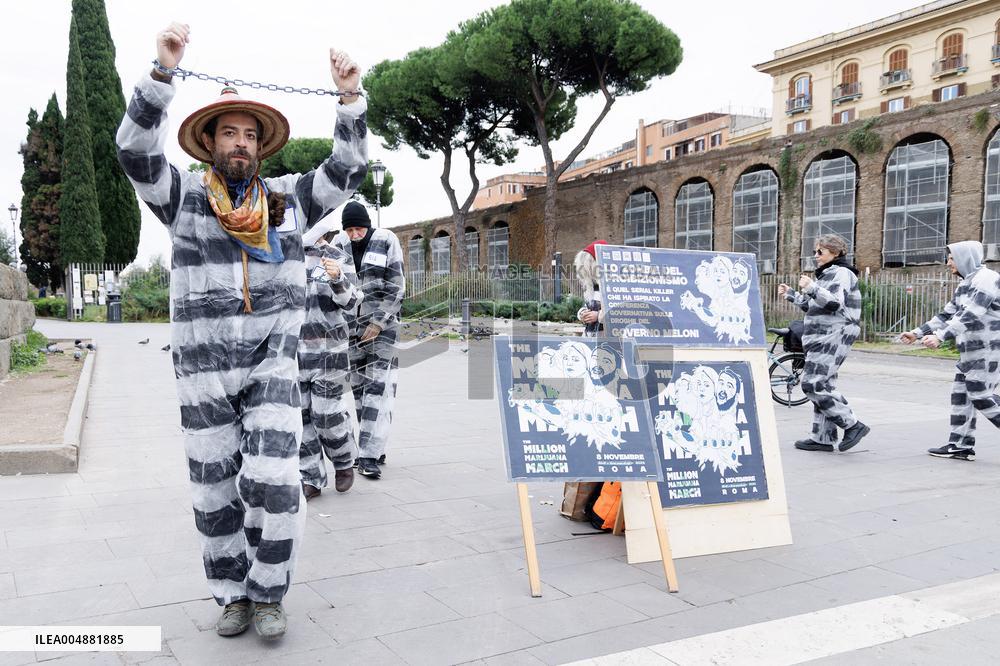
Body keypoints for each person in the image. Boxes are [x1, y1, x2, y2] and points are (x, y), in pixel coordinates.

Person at [116, 22, 367, 640]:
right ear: (209, 142)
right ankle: (231, 594)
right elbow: (134, 152)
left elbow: (348, 169)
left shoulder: (288, 201)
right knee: (213, 491)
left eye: (249, 135)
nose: (240, 143)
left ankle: (269, 593)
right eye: (229, 132)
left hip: (271, 366)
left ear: (261, 148)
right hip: (202, 373)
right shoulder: (183, 200)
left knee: (276, 483)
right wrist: (162, 73)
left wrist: (349, 98)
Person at [901, 241, 1000, 461]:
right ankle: (960, 445)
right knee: (961, 397)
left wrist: (941, 336)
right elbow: (946, 315)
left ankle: (961, 444)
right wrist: (917, 333)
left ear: (966, 258)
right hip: (969, 351)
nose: (948, 263)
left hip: (989, 349)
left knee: (980, 395)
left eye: (952, 258)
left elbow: (971, 314)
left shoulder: (987, 278)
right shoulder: (965, 283)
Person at [778, 234, 869, 453]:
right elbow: (813, 305)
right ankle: (823, 437)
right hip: (821, 335)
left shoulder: (842, 272)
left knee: (812, 384)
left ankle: (853, 425)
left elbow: (834, 303)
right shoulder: (828, 273)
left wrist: (811, 286)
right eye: (815, 251)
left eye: (820, 251)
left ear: (835, 253)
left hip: (832, 335)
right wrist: (791, 294)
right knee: (824, 385)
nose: (816, 256)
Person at [333, 202, 404, 480]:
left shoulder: (387, 240)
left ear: (367, 225)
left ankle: (367, 457)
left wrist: (378, 322)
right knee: (360, 392)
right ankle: (373, 447)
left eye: (358, 229)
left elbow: (396, 286)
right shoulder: (338, 244)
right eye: (349, 230)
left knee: (377, 389)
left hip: (383, 329)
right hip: (351, 330)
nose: (354, 234)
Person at [299, 240, 360, 500]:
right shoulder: (284, 254)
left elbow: (352, 303)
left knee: (326, 414)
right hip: (291, 354)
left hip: (329, 352)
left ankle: (344, 459)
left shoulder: (338, 256)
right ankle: (310, 477)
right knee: (300, 420)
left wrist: (337, 278)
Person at [575, 240, 607, 336]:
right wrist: (582, 313)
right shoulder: (594, 286)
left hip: (607, 337)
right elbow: (588, 305)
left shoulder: (612, 286)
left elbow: (619, 312)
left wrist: (598, 316)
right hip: (590, 335)